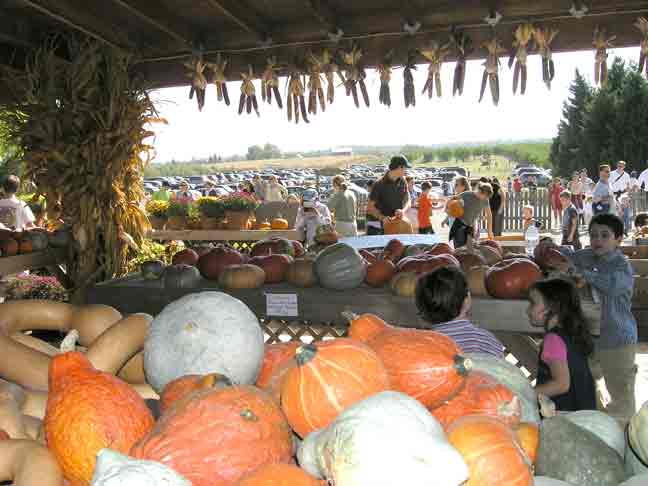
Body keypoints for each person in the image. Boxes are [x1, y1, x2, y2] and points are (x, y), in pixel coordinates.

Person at [566, 214, 638, 423]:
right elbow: (568, 256)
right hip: (590, 337)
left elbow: (613, 286)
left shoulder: (621, 266)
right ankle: (599, 423)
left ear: (618, 239)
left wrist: (585, 274)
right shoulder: (586, 256)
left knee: (620, 390)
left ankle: (624, 432)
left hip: (618, 339)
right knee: (584, 381)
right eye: (593, 235)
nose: (598, 240)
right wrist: (549, 249)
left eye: (605, 236)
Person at [528, 278, 596, 411]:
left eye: (533, 303)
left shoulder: (553, 339)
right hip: (583, 413)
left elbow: (561, 384)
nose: (528, 310)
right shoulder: (572, 333)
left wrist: (525, 394)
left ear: (550, 308)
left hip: (564, 416)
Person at [415, 266, 505, 357]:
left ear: (422, 307)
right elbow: (503, 369)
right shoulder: (486, 340)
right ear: (467, 300)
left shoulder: (422, 344)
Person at [366, 155, 411, 234]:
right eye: (405, 168)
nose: (406, 171)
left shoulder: (403, 181)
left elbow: (408, 199)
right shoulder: (379, 184)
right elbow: (370, 208)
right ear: (399, 167)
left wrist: (403, 211)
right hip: (378, 227)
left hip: (396, 225)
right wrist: (382, 218)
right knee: (381, 246)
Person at [448, 182, 494, 250]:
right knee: (460, 250)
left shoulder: (485, 200)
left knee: (470, 249)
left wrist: (489, 231)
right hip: (459, 225)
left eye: (487, 197)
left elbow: (489, 215)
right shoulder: (467, 194)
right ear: (480, 191)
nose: (486, 198)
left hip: (470, 227)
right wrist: (448, 209)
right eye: (485, 195)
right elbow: (452, 199)